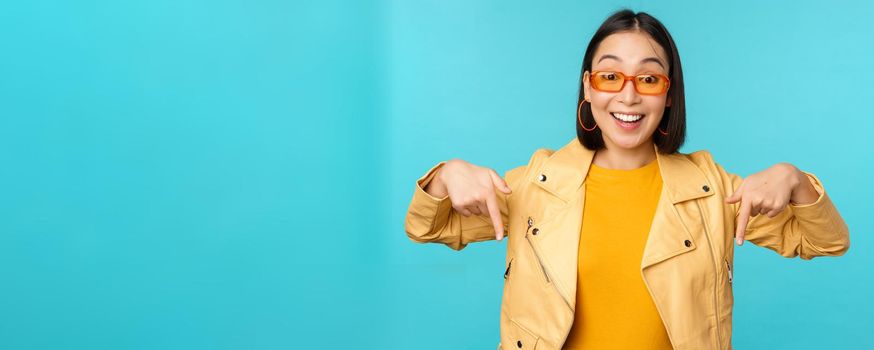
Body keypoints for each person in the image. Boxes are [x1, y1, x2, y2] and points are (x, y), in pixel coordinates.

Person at [403, 9, 849, 350]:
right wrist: (446, 175)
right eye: (610, 75)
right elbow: (428, 226)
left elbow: (826, 241)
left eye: (649, 78)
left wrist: (794, 179)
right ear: (589, 87)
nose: (628, 94)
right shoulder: (534, 186)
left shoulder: (713, 191)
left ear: (669, 93)